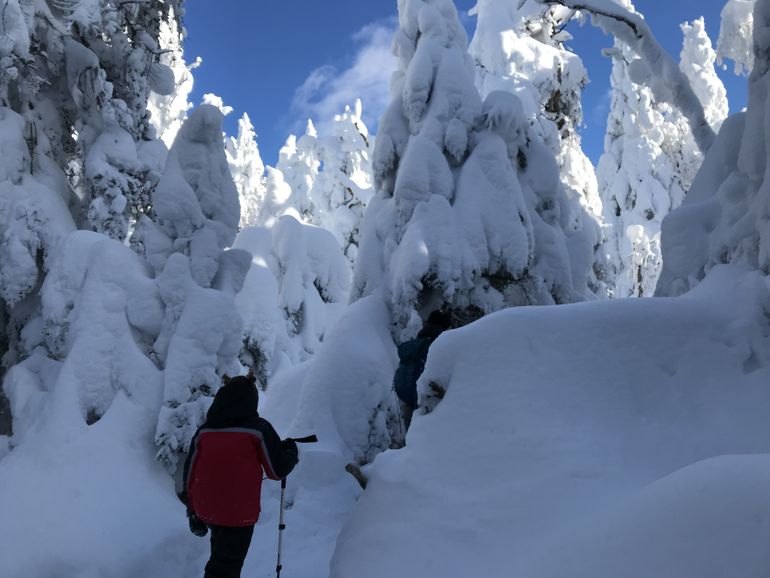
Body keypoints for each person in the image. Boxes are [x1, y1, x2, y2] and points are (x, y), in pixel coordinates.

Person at [180, 374, 298, 578]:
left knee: (220, 559)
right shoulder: (257, 429)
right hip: (237, 515)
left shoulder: (205, 431)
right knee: (225, 568)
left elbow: (190, 471)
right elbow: (276, 470)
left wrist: (192, 510)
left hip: (207, 510)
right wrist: (290, 452)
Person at [393, 310, 452, 429]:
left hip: (407, 404)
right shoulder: (437, 346)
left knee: (411, 443)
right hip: (427, 407)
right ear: (443, 327)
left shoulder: (413, 346)